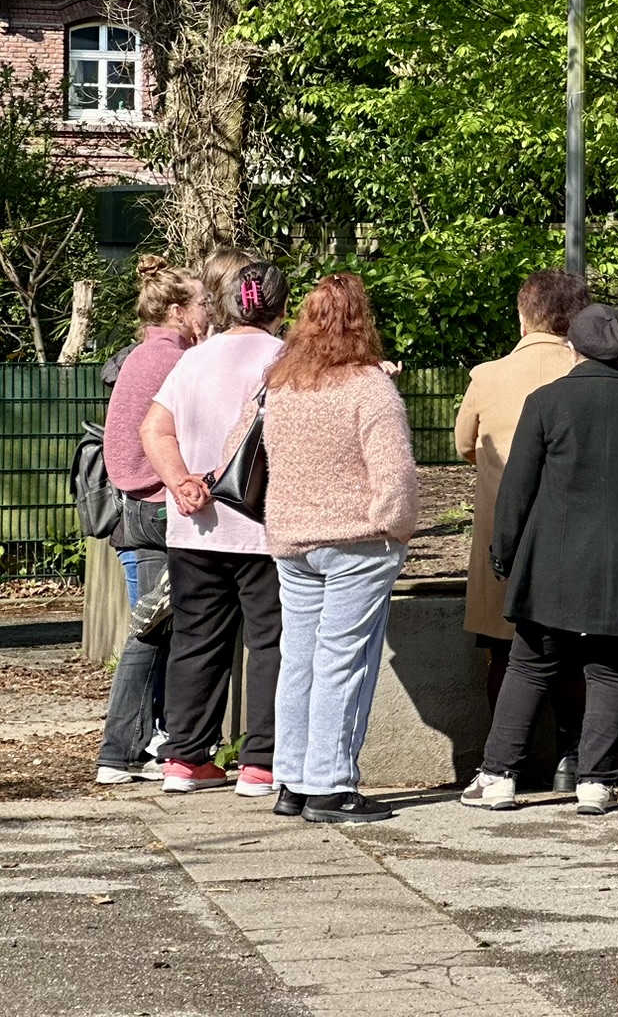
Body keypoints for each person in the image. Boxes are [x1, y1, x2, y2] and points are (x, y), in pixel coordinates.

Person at [461, 304, 618, 816]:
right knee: (610, 670)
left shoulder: (546, 402)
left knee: (529, 663)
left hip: (554, 564)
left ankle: (499, 777)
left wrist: (505, 550)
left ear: (573, 348)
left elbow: (517, 489)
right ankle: (596, 783)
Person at [225, 274, 420, 824]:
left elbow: (234, 452)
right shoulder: (369, 386)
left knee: (300, 660)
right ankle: (331, 787)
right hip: (358, 539)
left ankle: (291, 780)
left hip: (291, 539)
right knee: (344, 662)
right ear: (363, 322)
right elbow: (395, 472)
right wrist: (396, 527)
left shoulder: (277, 385)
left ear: (304, 321)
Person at [140, 260, 289, 796]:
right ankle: (261, 762)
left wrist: (179, 482)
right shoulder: (288, 358)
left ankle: (185, 758)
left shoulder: (194, 360)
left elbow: (153, 427)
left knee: (196, 640)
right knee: (272, 643)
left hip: (195, 528)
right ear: (282, 306)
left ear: (227, 304)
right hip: (263, 527)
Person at [453, 269, 589, 790]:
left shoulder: (488, 376)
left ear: (522, 313)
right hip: (574, 534)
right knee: (574, 649)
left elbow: (465, 445)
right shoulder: (591, 371)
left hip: (502, 536)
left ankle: (505, 759)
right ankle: (571, 758)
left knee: (504, 649)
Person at [94, 256, 208, 785]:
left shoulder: (146, 355)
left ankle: (141, 743)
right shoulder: (170, 360)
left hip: (136, 507)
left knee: (156, 631)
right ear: (178, 310)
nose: (210, 311)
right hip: (153, 508)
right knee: (150, 633)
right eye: (203, 303)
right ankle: (122, 751)